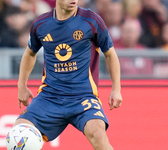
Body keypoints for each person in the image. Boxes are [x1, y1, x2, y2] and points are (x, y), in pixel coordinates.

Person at [9, 0, 122, 149]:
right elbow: (30, 53)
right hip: (50, 97)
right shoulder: (41, 24)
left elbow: (110, 54)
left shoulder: (91, 20)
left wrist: (116, 89)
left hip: (83, 97)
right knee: (19, 133)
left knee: (98, 133)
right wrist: (21, 86)